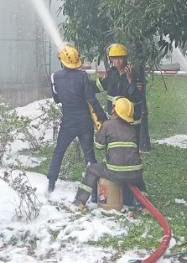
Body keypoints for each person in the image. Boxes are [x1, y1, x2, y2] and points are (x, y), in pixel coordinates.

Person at [47, 44, 108, 193]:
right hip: (84, 121)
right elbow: (91, 100)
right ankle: (94, 189)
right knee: (89, 154)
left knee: (59, 151)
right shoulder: (82, 76)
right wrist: (103, 118)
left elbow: (56, 99)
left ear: (62, 61)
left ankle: (51, 184)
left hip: (68, 121)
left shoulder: (55, 77)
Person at [94, 43, 146, 205]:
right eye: (113, 58)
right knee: (113, 150)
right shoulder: (111, 74)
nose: (116, 61)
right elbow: (100, 86)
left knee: (130, 153)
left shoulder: (134, 74)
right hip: (114, 119)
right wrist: (83, 83)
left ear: (125, 59)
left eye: (119, 58)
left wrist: (130, 80)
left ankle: (139, 193)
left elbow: (137, 97)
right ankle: (118, 188)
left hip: (131, 122)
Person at [74, 97, 145, 208]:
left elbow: (99, 146)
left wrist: (100, 132)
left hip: (114, 172)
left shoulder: (107, 125)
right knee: (139, 179)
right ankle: (144, 205)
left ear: (114, 110)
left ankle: (80, 202)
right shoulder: (132, 129)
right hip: (135, 174)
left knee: (91, 169)